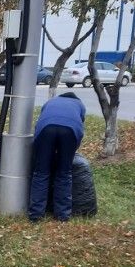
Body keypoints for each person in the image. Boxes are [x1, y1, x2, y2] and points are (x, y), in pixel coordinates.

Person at [28, 92, 86, 222]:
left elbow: (41, 120)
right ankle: (62, 215)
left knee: (41, 172)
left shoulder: (51, 102)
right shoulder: (79, 104)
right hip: (70, 131)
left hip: (46, 129)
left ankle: (36, 215)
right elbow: (80, 125)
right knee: (64, 173)